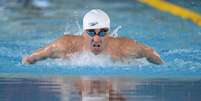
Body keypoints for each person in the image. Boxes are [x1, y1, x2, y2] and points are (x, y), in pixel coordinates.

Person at [22, 9, 164, 65]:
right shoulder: (66, 46)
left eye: (102, 32)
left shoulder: (123, 48)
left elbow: (149, 52)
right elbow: (36, 56)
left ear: (108, 33)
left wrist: (161, 64)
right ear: (83, 33)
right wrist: (29, 60)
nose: (96, 38)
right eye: (91, 33)